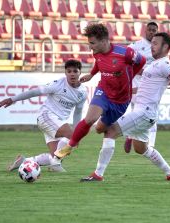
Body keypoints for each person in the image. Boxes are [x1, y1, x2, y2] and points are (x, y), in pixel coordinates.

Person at [80, 32, 170, 182]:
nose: (151, 46)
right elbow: (145, 88)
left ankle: (98, 174)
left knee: (111, 131)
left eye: (155, 43)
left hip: (144, 113)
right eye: (151, 43)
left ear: (165, 46)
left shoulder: (165, 65)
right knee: (141, 148)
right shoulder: (154, 64)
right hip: (146, 114)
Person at [55, 23, 146, 159]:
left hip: (121, 100)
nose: (90, 47)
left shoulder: (125, 53)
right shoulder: (96, 53)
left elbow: (142, 61)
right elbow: (99, 62)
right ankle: (69, 146)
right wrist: (92, 74)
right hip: (103, 91)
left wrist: (130, 76)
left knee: (99, 129)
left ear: (104, 41)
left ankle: (129, 132)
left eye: (92, 43)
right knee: (89, 119)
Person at [0, 59, 87, 172]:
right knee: (70, 139)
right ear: (65, 73)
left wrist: (76, 132)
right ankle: (55, 164)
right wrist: (13, 99)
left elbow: (78, 113)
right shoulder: (57, 84)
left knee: (55, 155)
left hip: (57, 123)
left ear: (80, 72)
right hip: (46, 116)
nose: (72, 74)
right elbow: (35, 92)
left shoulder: (83, 92)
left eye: (75, 71)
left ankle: (24, 161)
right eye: (69, 71)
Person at [124, 21, 159, 153]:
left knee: (152, 114)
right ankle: (131, 135)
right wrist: (141, 71)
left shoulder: (159, 48)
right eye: (150, 29)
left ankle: (149, 144)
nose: (152, 32)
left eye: (154, 30)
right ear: (145, 31)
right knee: (138, 113)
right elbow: (127, 62)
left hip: (152, 86)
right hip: (137, 84)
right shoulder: (136, 46)